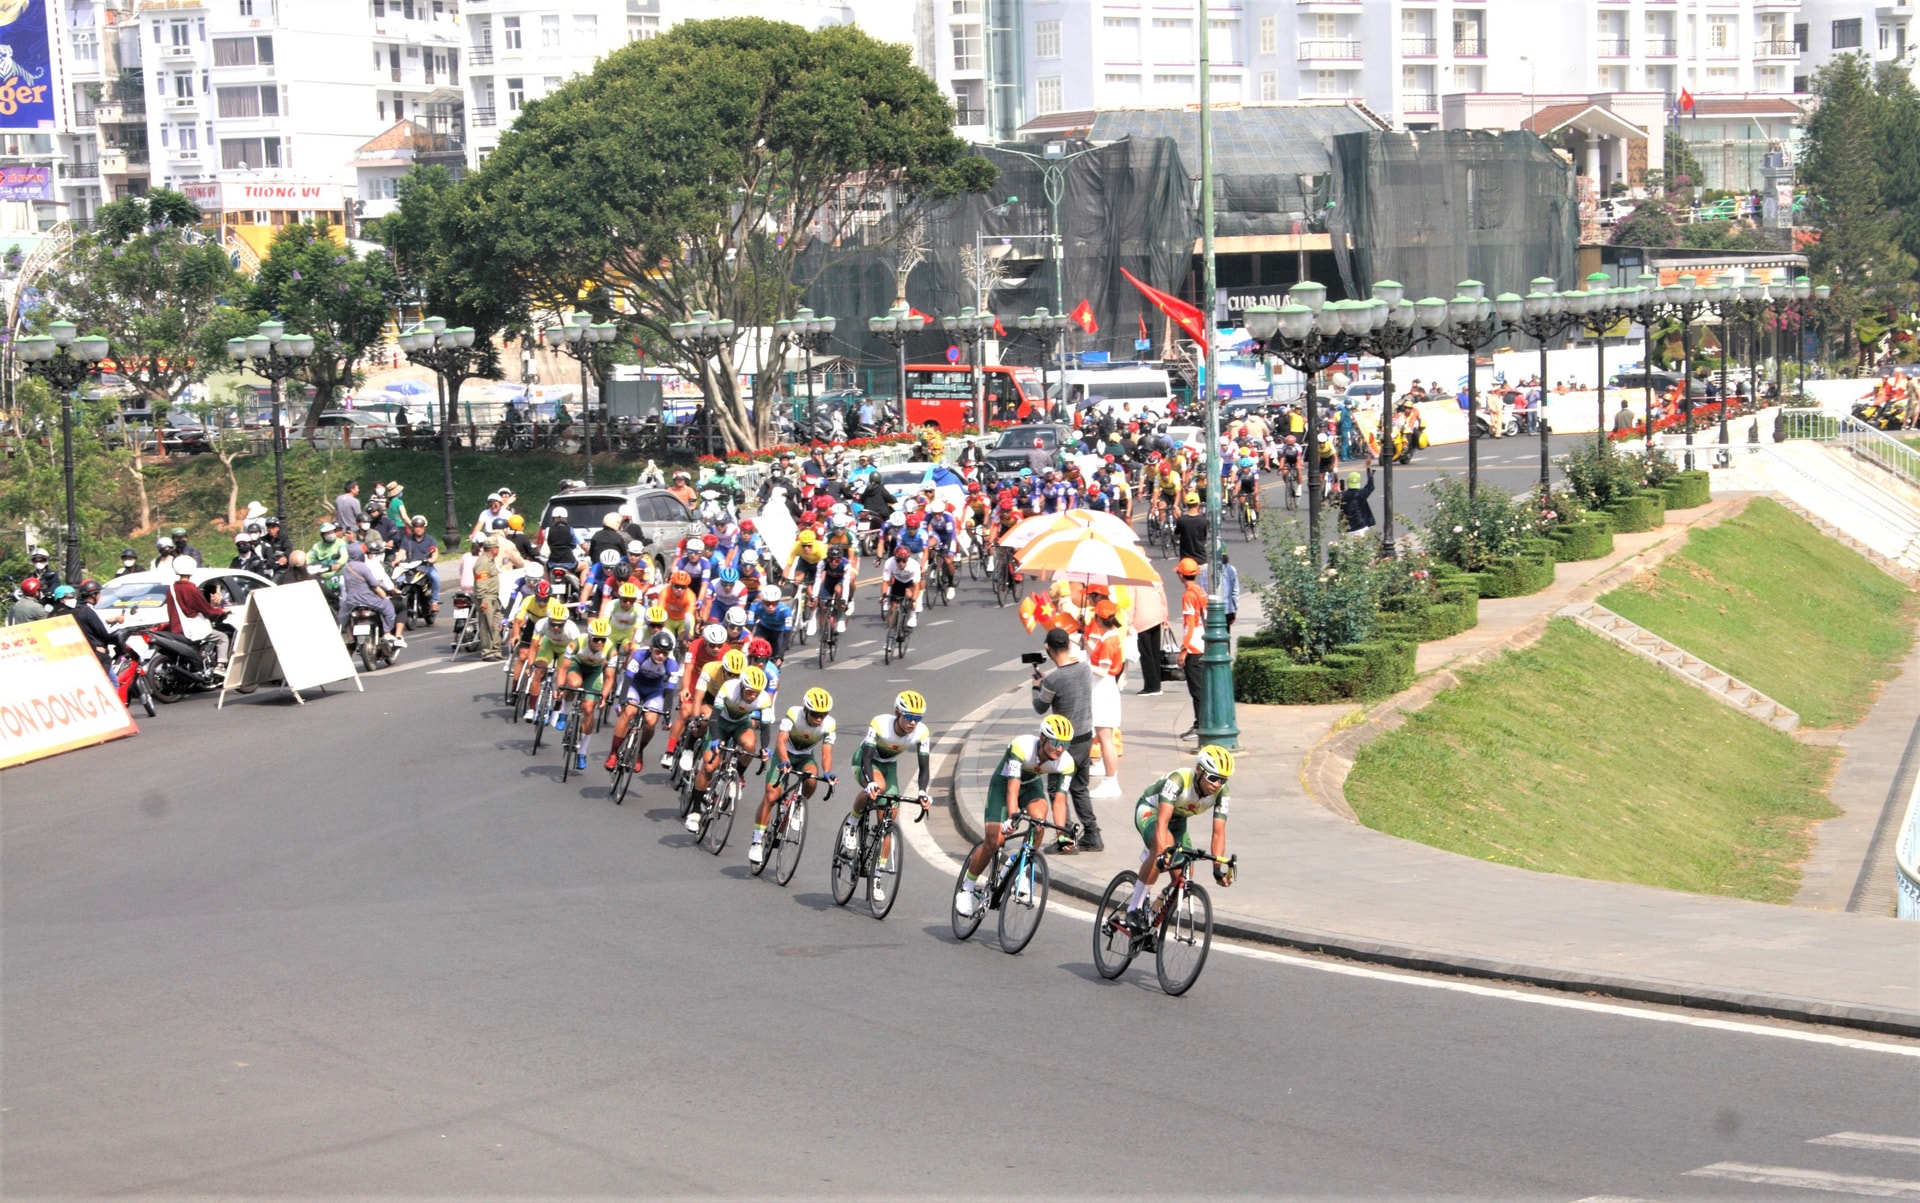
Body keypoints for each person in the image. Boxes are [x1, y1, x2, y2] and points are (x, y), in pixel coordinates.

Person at [955, 714, 1077, 918]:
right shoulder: (1022, 746)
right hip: (1004, 786)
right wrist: (1012, 818)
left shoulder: (1066, 762)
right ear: (1043, 738)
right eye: (1056, 742)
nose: (1060, 749)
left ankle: (1020, 865)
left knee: (1039, 822)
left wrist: (1061, 835)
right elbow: (1012, 788)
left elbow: (1060, 800)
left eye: (1066, 744)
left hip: (1030, 787)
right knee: (994, 841)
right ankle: (967, 888)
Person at [1121, 745, 1235, 933]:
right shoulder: (1178, 780)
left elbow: (1218, 832)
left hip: (1178, 820)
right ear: (1199, 770)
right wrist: (1160, 853)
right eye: (1213, 778)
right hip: (1152, 811)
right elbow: (1162, 822)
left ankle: (1153, 916)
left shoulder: (1223, 793)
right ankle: (1134, 909)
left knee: (1186, 873)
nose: (1217, 784)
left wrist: (1217, 868)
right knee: (1162, 848)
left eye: (1223, 780)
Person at [849, 691, 934, 907]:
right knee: (878, 787)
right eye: (909, 717)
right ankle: (852, 822)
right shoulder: (880, 723)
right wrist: (869, 782)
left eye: (918, 718)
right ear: (897, 713)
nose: (913, 722)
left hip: (889, 766)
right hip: (866, 762)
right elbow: (867, 757)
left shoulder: (922, 733)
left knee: (889, 818)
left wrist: (922, 792)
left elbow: (924, 768)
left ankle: (877, 875)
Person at [1031, 626, 1101, 853]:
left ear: (1047, 648)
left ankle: (1066, 837)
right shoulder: (1084, 668)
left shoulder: (1052, 680)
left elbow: (1040, 707)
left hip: (1064, 744)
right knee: (1080, 788)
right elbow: (1069, 683)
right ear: (1069, 645)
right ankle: (1092, 835)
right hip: (1086, 737)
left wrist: (1036, 687)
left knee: (1056, 789)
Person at [751, 686, 837, 866]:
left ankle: (797, 806)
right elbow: (781, 740)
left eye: (823, 715)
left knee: (812, 779)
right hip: (784, 754)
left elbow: (826, 753)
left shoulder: (829, 724)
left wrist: (828, 772)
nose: (819, 719)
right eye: (815, 714)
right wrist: (784, 760)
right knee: (771, 796)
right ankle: (757, 841)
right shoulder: (793, 714)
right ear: (805, 710)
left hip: (805, 757)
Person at [686, 664, 768, 833]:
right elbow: (714, 717)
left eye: (757, 692)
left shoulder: (764, 699)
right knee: (709, 767)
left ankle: (736, 777)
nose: (753, 696)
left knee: (750, 745)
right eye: (750, 691)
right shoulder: (729, 688)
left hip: (740, 723)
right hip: (720, 722)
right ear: (742, 686)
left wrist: (765, 748)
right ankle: (695, 811)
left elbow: (765, 728)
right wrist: (716, 739)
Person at [605, 631, 680, 773]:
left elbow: (669, 691)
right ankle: (613, 753)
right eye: (658, 651)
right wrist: (622, 702)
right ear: (651, 648)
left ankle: (639, 752)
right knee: (629, 711)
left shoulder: (672, 665)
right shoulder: (640, 655)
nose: (661, 656)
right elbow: (628, 679)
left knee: (651, 721)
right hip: (635, 685)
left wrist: (667, 716)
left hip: (654, 690)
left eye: (665, 653)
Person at [557, 618, 617, 774]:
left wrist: (604, 696)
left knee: (589, 709)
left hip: (594, 672)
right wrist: (560, 687)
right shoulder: (577, 642)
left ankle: (582, 753)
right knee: (574, 684)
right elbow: (563, 668)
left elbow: (610, 677)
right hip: (577, 666)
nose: (600, 643)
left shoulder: (611, 650)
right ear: (589, 637)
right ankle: (563, 713)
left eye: (603, 639)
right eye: (596, 639)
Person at [1085, 599, 1126, 797]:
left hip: (1103, 689)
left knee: (1105, 738)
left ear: (1099, 619)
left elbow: (1103, 670)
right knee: (1103, 737)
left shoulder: (1109, 640)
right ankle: (1107, 775)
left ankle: (1111, 781)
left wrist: (1082, 665)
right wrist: (1086, 645)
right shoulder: (1110, 636)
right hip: (1104, 688)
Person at [163, 554, 231, 672]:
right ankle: (220, 667)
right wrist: (220, 610)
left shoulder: (172, 588)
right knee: (222, 638)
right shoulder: (191, 588)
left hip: (175, 629)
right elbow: (206, 609)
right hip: (191, 630)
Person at [338, 543, 404, 645]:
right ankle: (387, 633)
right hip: (369, 599)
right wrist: (384, 595)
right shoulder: (363, 567)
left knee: (343, 615)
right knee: (388, 607)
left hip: (351, 601)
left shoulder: (346, 568)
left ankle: (350, 637)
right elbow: (374, 584)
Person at [1176, 557, 1207, 739]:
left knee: (1197, 690)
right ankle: (1202, 723)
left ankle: (1199, 725)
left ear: (1181, 575)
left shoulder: (1188, 595)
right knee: (1201, 688)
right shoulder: (1200, 591)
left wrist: (1183, 650)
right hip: (1203, 643)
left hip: (1194, 647)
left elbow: (1190, 624)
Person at [393, 515, 441, 612]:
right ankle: (397, 600)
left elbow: (435, 552)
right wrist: (396, 561)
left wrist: (432, 559)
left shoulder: (430, 540)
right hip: (410, 567)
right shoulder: (407, 539)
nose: (418, 529)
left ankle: (434, 602)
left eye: (420, 527)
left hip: (425, 566)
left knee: (435, 577)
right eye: (416, 527)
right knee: (397, 580)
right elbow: (402, 552)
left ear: (424, 527)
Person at [1340, 465, 1376, 537]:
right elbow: (1370, 486)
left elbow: (1333, 502)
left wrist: (1339, 491)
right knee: (1362, 543)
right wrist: (1369, 472)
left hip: (1347, 527)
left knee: (1347, 544)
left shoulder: (1342, 495)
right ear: (1359, 482)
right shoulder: (1362, 493)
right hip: (1361, 525)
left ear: (1348, 482)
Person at [1173, 491, 1209, 563]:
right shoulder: (1203, 521)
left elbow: (1176, 535)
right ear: (1198, 504)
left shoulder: (1181, 520)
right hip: (1201, 559)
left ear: (1186, 504)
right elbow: (1206, 536)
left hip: (1186, 561)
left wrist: (1178, 518)